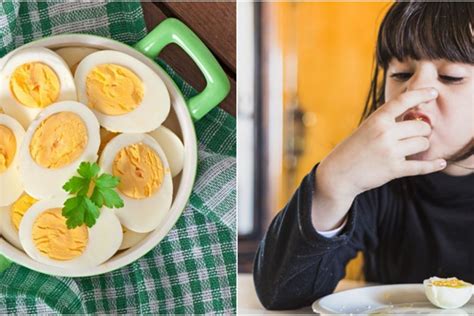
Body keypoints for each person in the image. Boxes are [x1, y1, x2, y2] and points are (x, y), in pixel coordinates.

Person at [253, 1, 474, 310]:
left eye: (451, 76)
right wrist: (334, 180)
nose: (415, 89)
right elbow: (283, 294)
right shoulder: (376, 179)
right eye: (401, 73)